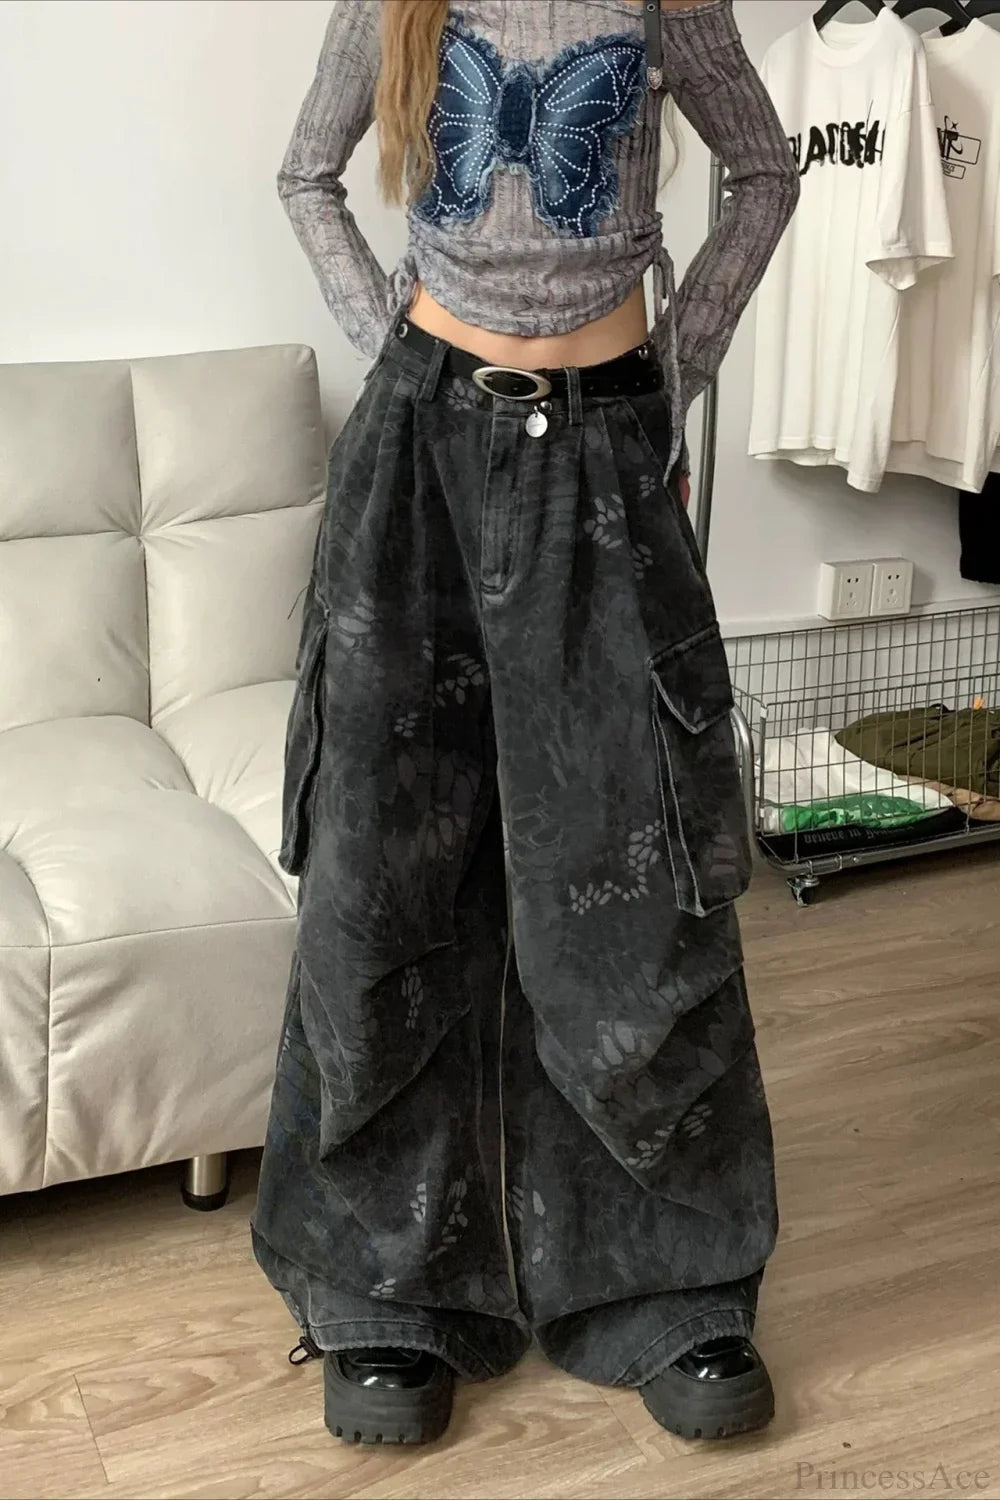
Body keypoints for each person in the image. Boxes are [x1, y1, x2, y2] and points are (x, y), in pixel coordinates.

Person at [251, 0, 799, 1449]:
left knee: (634, 869)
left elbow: (765, 170)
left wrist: (674, 367)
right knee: (385, 867)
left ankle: (667, 1282)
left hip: (608, 451)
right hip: (416, 455)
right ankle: (388, 1292)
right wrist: (393, 347)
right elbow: (306, 174)